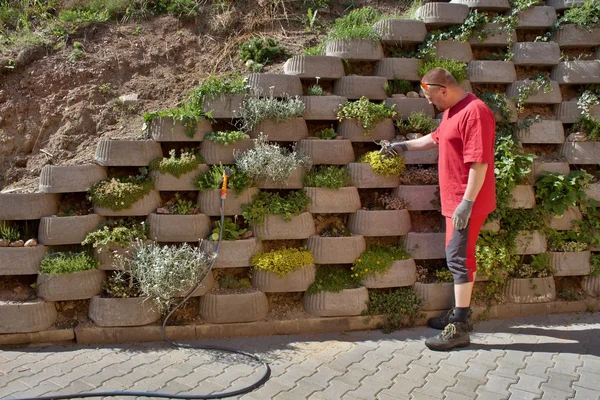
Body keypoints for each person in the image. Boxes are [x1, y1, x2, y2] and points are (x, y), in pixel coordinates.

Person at [382, 68, 496, 351]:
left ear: (443, 90)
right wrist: (403, 146)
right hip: (454, 201)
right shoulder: (452, 110)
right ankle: (460, 314)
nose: (430, 103)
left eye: (431, 97)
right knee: (459, 256)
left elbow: (479, 162)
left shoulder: (475, 112)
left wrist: (467, 203)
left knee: (458, 258)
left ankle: (460, 327)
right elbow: (435, 138)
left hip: (465, 202)